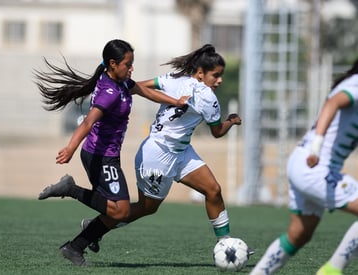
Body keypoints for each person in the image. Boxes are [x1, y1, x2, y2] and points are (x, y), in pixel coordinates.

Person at [35, 39, 187, 266]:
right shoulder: (110, 92)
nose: (132, 68)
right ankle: (71, 189)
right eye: (128, 64)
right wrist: (70, 147)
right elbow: (87, 123)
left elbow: (145, 91)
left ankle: (74, 247)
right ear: (113, 64)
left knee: (113, 210)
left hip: (107, 156)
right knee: (121, 211)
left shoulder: (122, 83)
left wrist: (176, 102)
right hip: (99, 156)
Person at [80, 44, 244, 255]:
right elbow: (218, 132)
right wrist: (231, 121)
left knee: (213, 190)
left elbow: (135, 86)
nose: (220, 80)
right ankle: (94, 229)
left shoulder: (174, 79)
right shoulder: (208, 98)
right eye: (216, 75)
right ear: (201, 73)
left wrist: (110, 90)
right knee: (146, 208)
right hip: (157, 155)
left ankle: (225, 244)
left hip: (181, 152)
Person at [250, 58, 358, 275]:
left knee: (299, 234)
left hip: (303, 164)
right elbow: (333, 103)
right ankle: (332, 270)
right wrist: (317, 146)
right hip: (315, 165)